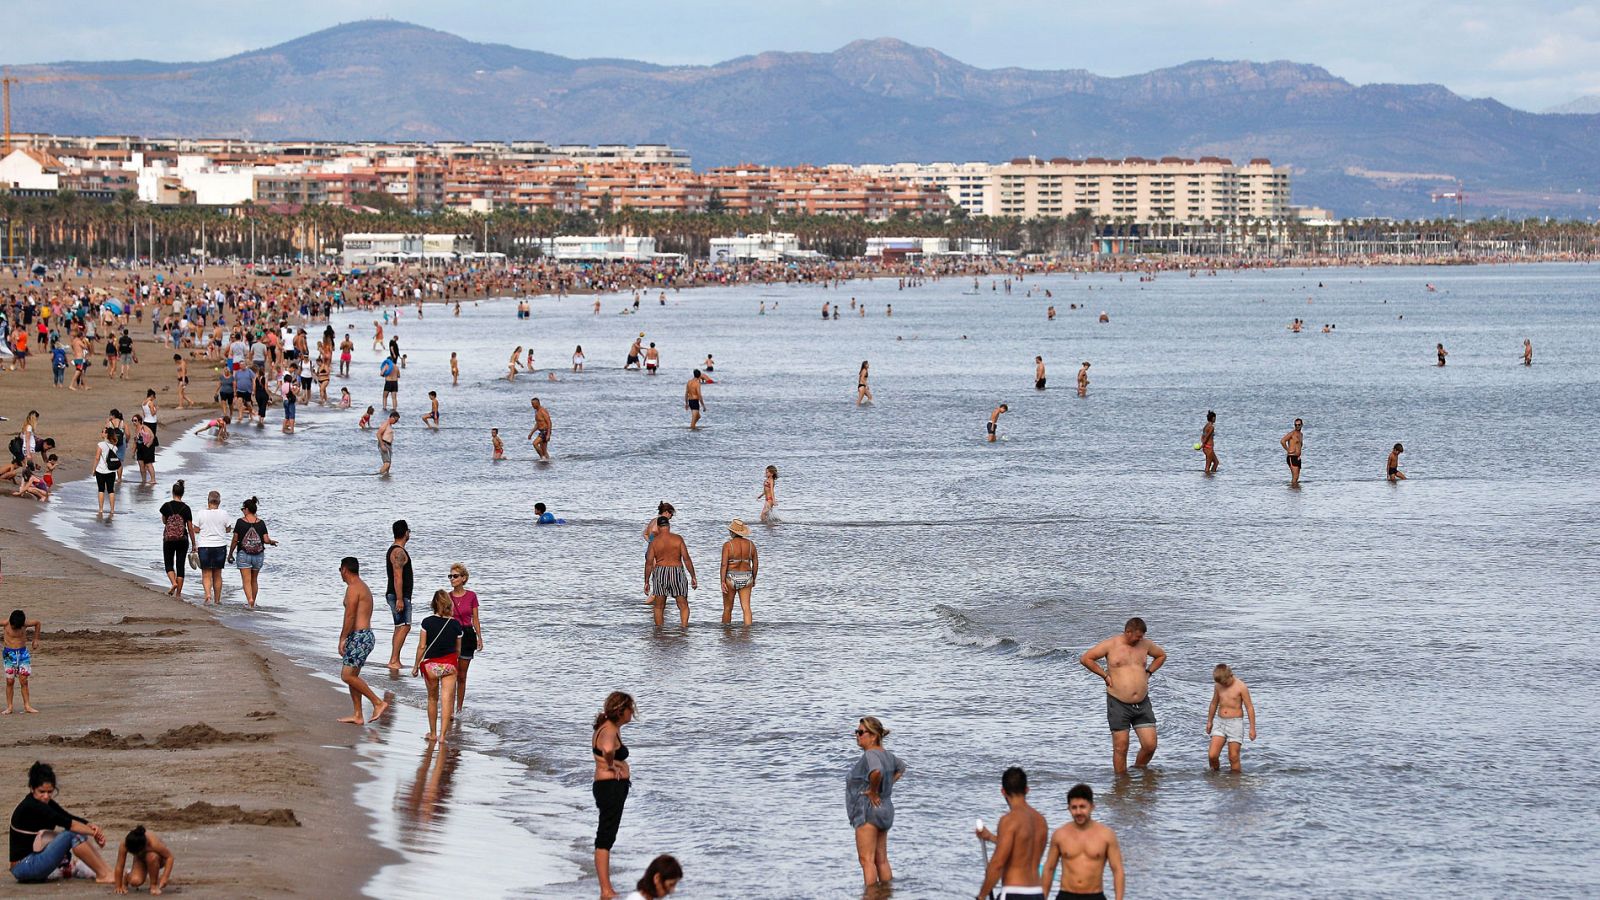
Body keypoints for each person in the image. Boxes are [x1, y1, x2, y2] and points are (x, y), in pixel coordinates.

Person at [1079, 617, 1165, 775]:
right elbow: (1086, 659)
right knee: (1121, 747)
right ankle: (1121, 782)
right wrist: (1105, 676)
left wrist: (1149, 672)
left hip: (1142, 703)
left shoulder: (1145, 644)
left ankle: (1138, 771)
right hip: (1118, 703)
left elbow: (1161, 655)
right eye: (1137, 636)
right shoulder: (1110, 644)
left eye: (1142, 637)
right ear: (1128, 632)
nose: (1140, 639)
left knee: (1150, 745)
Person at [8, 762, 112, 884]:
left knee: (78, 831)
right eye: (42, 792)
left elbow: (66, 816)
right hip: (24, 866)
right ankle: (103, 874)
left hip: (33, 860)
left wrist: (89, 825)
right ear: (32, 789)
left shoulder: (44, 803)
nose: (46, 796)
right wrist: (95, 834)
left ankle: (108, 872)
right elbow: (68, 824)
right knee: (72, 834)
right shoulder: (31, 805)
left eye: (50, 792)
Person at [847, 716, 905, 889]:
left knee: (866, 860)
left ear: (873, 736)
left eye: (860, 732)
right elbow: (901, 768)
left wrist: (873, 791)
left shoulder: (871, 754)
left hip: (869, 811)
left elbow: (876, 771)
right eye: (856, 732)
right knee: (882, 860)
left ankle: (871, 895)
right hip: (885, 808)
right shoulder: (887, 755)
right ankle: (886, 893)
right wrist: (886, 786)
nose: (857, 735)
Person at [1040, 784, 1124, 900]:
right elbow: (1049, 868)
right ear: (1069, 808)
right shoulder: (1060, 835)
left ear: (1092, 807)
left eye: (1082, 807)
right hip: (1066, 896)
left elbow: (1117, 870)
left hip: (1095, 896)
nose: (1078, 812)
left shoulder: (1106, 835)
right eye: (1074, 807)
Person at [976, 767, 1048, 900]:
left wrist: (981, 896)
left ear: (1003, 792)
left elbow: (997, 864)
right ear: (1027, 790)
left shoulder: (1009, 820)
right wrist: (990, 837)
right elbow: (1022, 847)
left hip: (1014, 892)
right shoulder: (1041, 821)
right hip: (1037, 892)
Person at [592, 691, 636, 900]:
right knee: (605, 838)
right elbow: (608, 749)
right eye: (630, 708)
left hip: (608, 787)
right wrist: (612, 766)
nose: (632, 712)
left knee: (606, 836)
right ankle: (606, 890)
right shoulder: (609, 730)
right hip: (610, 787)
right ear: (621, 711)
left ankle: (607, 888)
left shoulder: (607, 727)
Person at [336, 557, 387, 725]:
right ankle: (358, 714)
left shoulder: (353, 588)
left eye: (340, 570)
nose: (340, 574)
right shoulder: (361, 586)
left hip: (360, 636)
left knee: (347, 675)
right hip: (362, 636)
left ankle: (378, 702)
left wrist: (342, 638)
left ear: (344, 569)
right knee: (353, 676)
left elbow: (350, 616)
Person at [411, 591, 462, 744]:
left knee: (432, 699)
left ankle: (433, 733)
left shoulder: (427, 622)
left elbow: (422, 646)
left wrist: (415, 666)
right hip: (449, 666)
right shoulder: (456, 624)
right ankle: (442, 736)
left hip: (431, 667)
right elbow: (458, 650)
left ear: (433, 604)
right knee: (447, 700)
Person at [644, 516, 697, 628]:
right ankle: (684, 629)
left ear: (658, 527)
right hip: (676, 571)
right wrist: (693, 576)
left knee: (659, 606)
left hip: (660, 572)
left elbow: (649, 563)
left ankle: (659, 631)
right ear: (669, 526)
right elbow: (686, 559)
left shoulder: (654, 542)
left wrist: (646, 582)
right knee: (683, 605)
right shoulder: (678, 539)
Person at [1206, 664, 1257, 773]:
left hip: (1235, 724)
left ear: (1231, 675)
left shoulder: (1241, 687)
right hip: (1220, 723)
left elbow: (1249, 707)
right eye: (1221, 683)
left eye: (1225, 683)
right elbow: (1214, 703)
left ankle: (1235, 779)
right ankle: (1214, 776)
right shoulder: (1218, 686)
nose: (1223, 685)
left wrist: (1252, 728)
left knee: (1233, 756)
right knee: (1212, 755)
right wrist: (1209, 721)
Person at [227, 496, 276, 610]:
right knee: (254, 580)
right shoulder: (261, 523)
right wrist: (271, 542)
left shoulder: (240, 522)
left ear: (247, 509)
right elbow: (266, 540)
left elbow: (235, 540)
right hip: (258, 555)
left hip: (244, 554)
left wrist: (230, 553)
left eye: (242, 509)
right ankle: (253, 602)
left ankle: (249, 600)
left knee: (246, 580)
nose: (242, 511)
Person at [447, 563, 481, 713]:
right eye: (450, 576)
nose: (452, 579)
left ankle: (459, 709)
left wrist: (479, 637)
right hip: (452, 635)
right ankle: (449, 707)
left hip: (467, 635)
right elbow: (444, 617)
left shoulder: (471, 596)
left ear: (463, 578)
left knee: (462, 675)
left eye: (455, 576)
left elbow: (475, 618)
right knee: (451, 674)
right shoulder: (447, 597)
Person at [383, 520, 415, 671]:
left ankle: (395, 658)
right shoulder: (398, 552)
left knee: (399, 626)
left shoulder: (394, 550)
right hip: (399, 595)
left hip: (396, 594)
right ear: (405, 533)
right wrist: (400, 598)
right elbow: (397, 577)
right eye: (409, 531)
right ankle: (394, 660)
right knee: (405, 626)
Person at [157, 480, 194, 599]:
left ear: (173, 492)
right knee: (180, 565)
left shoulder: (166, 506)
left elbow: (164, 521)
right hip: (183, 539)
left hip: (169, 539)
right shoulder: (186, 508)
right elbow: (190, 528)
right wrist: (194, 544)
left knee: (169, 563)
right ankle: (178, 594)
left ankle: (173, 582)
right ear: (182, 493)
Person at [112, 825, 174, 896]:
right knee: (135, 881)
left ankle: (154, 885)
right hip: (141, 859)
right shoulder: (125, 843)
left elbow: (170, 857)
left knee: (151, 857)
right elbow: (119, 865)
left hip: (158, 859)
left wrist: (165, 877)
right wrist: (118, 886)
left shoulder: (153, 843)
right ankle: (127, 875)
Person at [193, 491, 230, 605]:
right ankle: (217, 600)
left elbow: (196, 529)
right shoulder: (224, 513)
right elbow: (228, 529)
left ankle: (208, 595)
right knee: (217, 574)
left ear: (208, 501)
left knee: (206, 573)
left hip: (204, 546)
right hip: (220, 546)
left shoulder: (201, 513)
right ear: (219, 502)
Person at [719, 519, 759, 626]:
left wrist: (722, 581)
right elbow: (755, 563)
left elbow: (724, 565)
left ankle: (726, 631)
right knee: (746, 608)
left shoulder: (728, 545)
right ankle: (748, 631)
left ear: (732, 532)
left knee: (728, 608)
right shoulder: (751, 545)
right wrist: (753, 578)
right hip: (747, 576)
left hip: (731, 577)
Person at [4, 610, 42, 715]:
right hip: (9, 655)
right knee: (10, 681)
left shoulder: (24, 624)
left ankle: (27, 706)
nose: (14, 628)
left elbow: (37, 623)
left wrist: (36, 639)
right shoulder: (6, 623)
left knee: (24, 681)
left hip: (23, 654)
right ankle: (9, 707)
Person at [92, 427, 120, 516]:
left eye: (103, 432)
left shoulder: (100, 444)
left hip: (100, 470)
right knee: (111, 490)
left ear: (106, 434)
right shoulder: (114, 447)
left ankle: (101, 510)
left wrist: (94, 469)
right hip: (111, 471)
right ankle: (112, 510)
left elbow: (97, 457)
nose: (101, 433)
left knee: (101, 489)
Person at [131, 416, 156, 486]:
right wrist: (133, 451)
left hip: (147, 448)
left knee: (148, 464)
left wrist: (147, 446)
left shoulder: (144, 427)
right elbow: (135, 441)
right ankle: (144, 480)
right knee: (141, 465)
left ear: (139, 421)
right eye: (133, 420)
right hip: (140, 449)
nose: (134, 422)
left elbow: (152, 436)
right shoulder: (136, 429)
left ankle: (153, 479)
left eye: (135, 420)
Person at [1280, 418, 1304, 487]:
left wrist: (1299, 453)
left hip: (1297, 457)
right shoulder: (1292, 433)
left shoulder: (1301, 434)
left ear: (1302, 425)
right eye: (1295, 425)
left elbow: (1300, 445)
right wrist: (1288, 450)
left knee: (1297, 477)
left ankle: (1295, 490)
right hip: (1292, 457)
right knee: (1295, 477)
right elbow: (1282, 441)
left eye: (1299, 425)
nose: (1297, 426)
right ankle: (1293, 491)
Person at [377, 411, 398, 475]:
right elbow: (378, 434)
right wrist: (382, 445)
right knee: (387, 463)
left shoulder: (389, 425)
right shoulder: (385, 424)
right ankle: (379, 476)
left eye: (397, 420)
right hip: (384, 444)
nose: (396, 422)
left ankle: (386, 478)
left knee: (388, 465)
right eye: (396, 420)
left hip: (388, 445)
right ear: (392, 417)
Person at [1201, 410, 1218, 474]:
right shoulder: (1211, 427)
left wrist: (1203, 444)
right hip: (1209, 447)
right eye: (1215, 417)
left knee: (1216, 462)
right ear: (1213, 418)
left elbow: (1202, 436)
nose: (1215, 419)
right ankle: (1207, 477)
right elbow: (1207, 437)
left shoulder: (1206, 426)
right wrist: (1203, 444)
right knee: (1208, 465)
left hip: (1206, 447)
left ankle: (1211, 475)